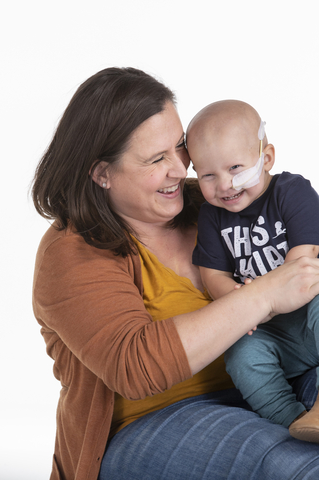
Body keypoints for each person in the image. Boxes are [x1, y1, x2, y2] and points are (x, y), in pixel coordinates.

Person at [32, 69, 319, 480]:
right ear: (102, 174)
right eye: (155, 159)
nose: (179, 168)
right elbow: (133, 367)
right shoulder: (73, 251)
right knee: (292, 465)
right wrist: (263, 296)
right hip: (154, 420)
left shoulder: (212, 205)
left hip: (275, 378)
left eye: (179, 147)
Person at [187, 99, 319, 443]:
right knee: (240, 354)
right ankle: (293, 421)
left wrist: (265, 300)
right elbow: (212, 274)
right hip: (272, 331)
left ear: (267, 158)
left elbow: (303, 262)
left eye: (235, 167)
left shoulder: (292, 192)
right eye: (208, 175)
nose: (225, 185)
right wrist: (238, 305)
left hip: (310, 307)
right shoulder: (212, 217)